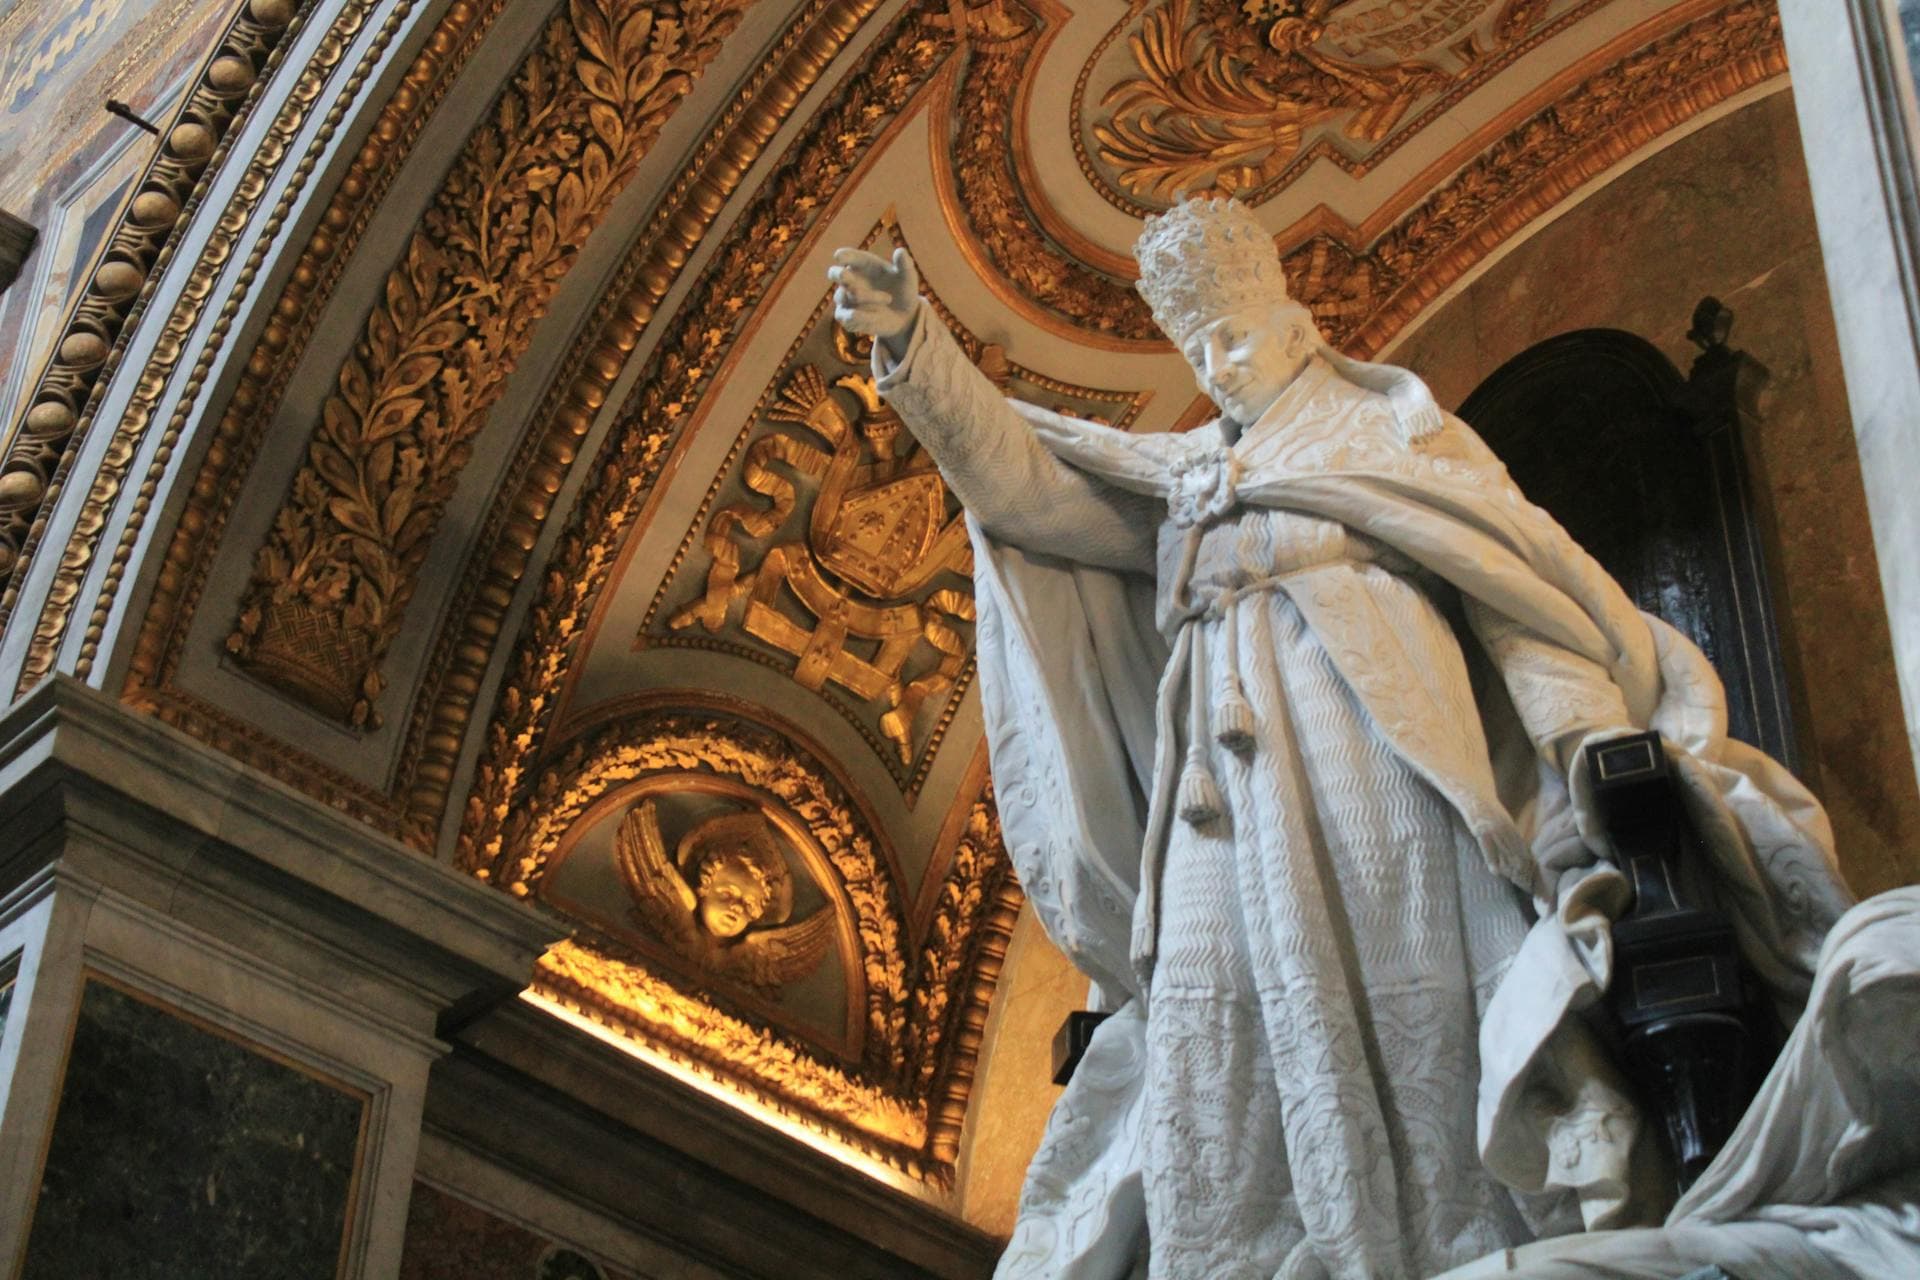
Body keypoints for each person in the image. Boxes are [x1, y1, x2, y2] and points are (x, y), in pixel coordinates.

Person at [828, 199, 1861, 1279]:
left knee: (1397, 985)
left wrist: (1583, 736)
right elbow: (1030, 486)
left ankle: (1434, 1246)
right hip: (1214, 803)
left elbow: (1513, 590)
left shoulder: (1393, 438)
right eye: (1197, 347)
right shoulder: (1184, 480)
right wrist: (915, 348)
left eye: (1231, 335)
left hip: (1370, 750)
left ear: (1296, 324)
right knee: (1207, 1020)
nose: (1216, 365)